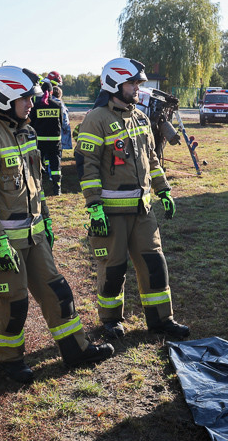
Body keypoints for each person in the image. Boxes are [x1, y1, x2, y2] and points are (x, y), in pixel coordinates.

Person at [0, 65, 114, 383]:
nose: (33, 105)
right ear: (6, 99)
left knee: (58, 291)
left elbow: (35, 183)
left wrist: (47, 220)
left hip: (36, 237)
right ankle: (9, 361)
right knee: (14, 303)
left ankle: (76, 349)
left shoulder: (28, 133)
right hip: (7, 242)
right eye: (26, 99)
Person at [76, 58, 190, 341]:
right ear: (115, 84)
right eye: (133, 83)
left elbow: (151, 158)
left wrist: (163, 189)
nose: (139, 88)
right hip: (111, 213)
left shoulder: (140, 117)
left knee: (154, 265)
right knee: (113, 269)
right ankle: (111, 320)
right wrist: (94, 206)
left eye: (139, 83)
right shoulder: (96, 118)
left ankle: (162, 319)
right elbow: (86, 164)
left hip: (143, 210)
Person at [28, 74, 63, 195]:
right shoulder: (58, 105)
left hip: (40, 140)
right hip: (55, 141)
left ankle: (39, 186)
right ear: (52, 91)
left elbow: (31, 123)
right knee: (55, 164)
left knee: (39, 163)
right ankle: (57, 187)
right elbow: (61, 122)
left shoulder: (36, 106)